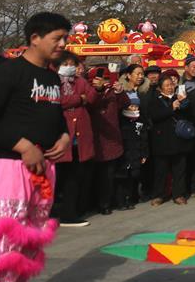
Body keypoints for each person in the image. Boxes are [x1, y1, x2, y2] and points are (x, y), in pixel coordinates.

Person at [0, 12, 71, 282]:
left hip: (43, 170)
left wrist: (65, 137)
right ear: (35, 38)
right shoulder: (9, 71)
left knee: (30, 242)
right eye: (57, 38)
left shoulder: (51, 77)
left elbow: (56, 117)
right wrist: (23, 146)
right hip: (9, 167)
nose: (63, 44)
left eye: (65, 38)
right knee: (4, 243)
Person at [55, 51, 97, 227]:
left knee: (74, 177)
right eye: (65, 64)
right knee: (57, 177)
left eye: (72, 64)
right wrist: (79, 99)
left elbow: (92, 96)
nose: (69, 67)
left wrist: (81, 98)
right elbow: (60, 101)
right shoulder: (52, 81)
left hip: (79, 137)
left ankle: (69, 213)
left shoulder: (80, 81)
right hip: (60, 135)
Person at [148, 71, 194, 206]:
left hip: (179, 139)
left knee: (179, 169)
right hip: (162, 140)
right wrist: (171, 108)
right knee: (161, 170)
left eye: (171, 84)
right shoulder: (155, 99)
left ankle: (178, 194)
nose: (170, 87)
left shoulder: (178, 97)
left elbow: (189, 114)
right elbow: (154, 116)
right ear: (160, 87)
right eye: (167, 85)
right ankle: (159, 195)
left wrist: (184, 102)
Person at [89, 67, 127, 215]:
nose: (103, 82)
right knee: (94, 175)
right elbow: (91, 104)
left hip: (112, 138)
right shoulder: (89, 92)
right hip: (94, 137)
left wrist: (120, 92)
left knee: (109, 175)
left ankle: (106, 203)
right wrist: (97, 90)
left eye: (105, 78)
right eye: (99, 79)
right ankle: (93, 203)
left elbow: (124, 104)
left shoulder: (112, 92)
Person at [116, 98, 148, 210]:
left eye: (136, 107)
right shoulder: (121, 121)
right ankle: (120, 201)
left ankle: (130, 199)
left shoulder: (140, 121)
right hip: (124, 154)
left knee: (132, 177)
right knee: (122, 178)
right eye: (131, 106)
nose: (134, 109)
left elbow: (144, 139)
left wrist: (144, 154)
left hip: (136, 153)